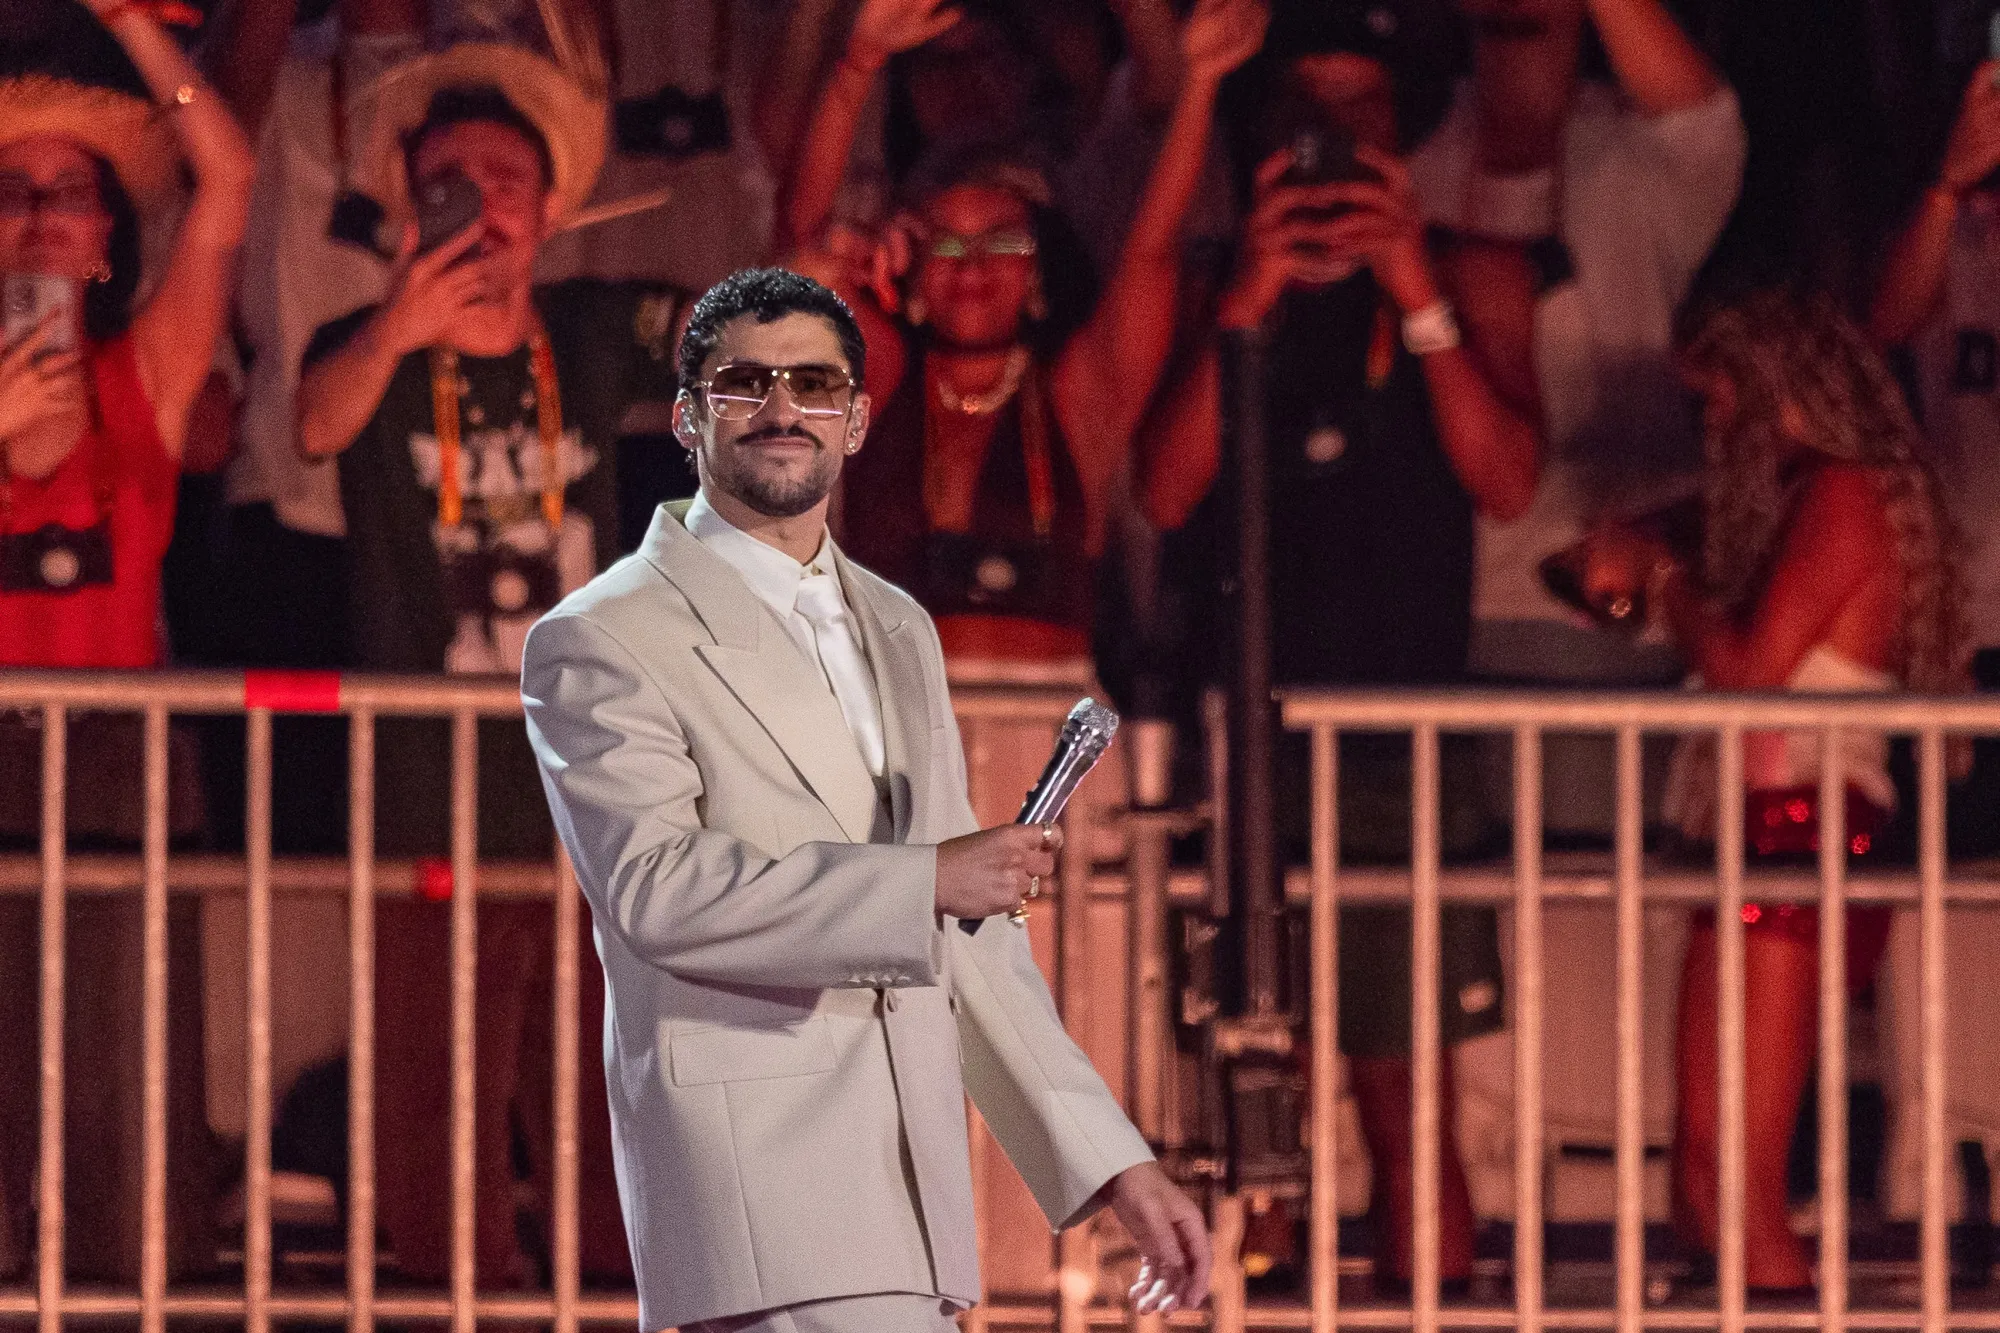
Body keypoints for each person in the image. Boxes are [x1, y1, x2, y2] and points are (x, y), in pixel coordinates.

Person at [521, 265, 1209, 1333]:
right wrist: (924, 879)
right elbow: (657, 892)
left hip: (910, 1199)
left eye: (813, 383)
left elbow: (970, 940)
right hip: (759, 1187)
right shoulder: (603, 633)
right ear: (687, 418)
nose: (781, 407)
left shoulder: (897, 623)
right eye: (744, 382)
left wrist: (1115, 1164)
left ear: (856, 420)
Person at [1136, 0, 1538, 1293]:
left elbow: (1508, 479)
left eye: (1359, 110)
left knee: (1406, 1096)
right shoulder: (1221, 278)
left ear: (1402, 130)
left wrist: (1413, 290)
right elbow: (1164, 486)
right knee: (1252, 1091)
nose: (1331, 138)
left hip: (1404, 743)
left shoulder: (1474, 271)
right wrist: (1249, 298)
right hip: (1244, 739)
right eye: (1306, 111)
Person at [293, 43, 683, 1289]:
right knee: (433, 1091)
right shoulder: (362, 342)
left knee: (603, 1086)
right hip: (428, 787)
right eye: (449, 180)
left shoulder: (588, 328)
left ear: (552, 207)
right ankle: (454, 1303)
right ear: (412, 203)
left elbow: (733, 335)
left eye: (507, 178)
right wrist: (400, 323)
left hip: (596, 792)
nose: (481, 201)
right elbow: (313, 423)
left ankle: (612, 1300)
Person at [1575, 289, 1965, 1291]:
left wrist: (1663, 580)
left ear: (1768, 391)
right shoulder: (1797, 500)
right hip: (1764, 823)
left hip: (1801, 822)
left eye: (1718, 402)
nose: (1711, 429)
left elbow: (1752, 672)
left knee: (1739, 1181)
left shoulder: (1842, 493)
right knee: (1705, 1173)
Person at [0, 0, 255, 1282]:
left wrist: (127, 22)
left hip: (115, 751)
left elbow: (230, 179)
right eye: (12, 192)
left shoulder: (144, 372)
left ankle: (134, 1295)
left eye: (71, 193)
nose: (42, 217)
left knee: (124, 1064)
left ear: (107, 235)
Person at [782, 0, 1265, 667]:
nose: (973, 267)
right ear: (912, 274)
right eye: (947, 245)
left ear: (1038, 269)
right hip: (887, 719)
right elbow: (803, 242)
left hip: (1055, 717)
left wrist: (1200, 84)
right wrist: (858, 62)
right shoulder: (882, 380)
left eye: (1002, 242)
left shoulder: (1077, 398)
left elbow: (1152, 252)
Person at [1405, 0, 1746, 836]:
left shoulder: (1631, 150)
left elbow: (1704, 118)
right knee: (1463, 902)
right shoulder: (1412, 141)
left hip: (1617, 599)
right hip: (1432, 601)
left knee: (1616, 889)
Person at [1868, 58, 2000, 854]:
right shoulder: (1953, 243)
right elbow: (1881, 325)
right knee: (1950, 875)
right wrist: (1949, 186)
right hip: (1960, 630)